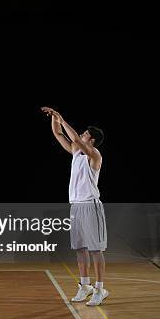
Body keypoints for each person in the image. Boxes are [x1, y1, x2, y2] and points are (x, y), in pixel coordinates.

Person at [41, 107, 108, 306]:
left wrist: (62, 118)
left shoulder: (94, 154)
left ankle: (99, 289)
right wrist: (55, 118)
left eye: (86, 133)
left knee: (96, 250)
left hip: (91, 206)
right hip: (76, 206)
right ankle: (85, 285)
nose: (82, 134)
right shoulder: (76, 153)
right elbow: (58, 133)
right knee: (80, 248)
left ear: (92, 140)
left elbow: (76, 139)